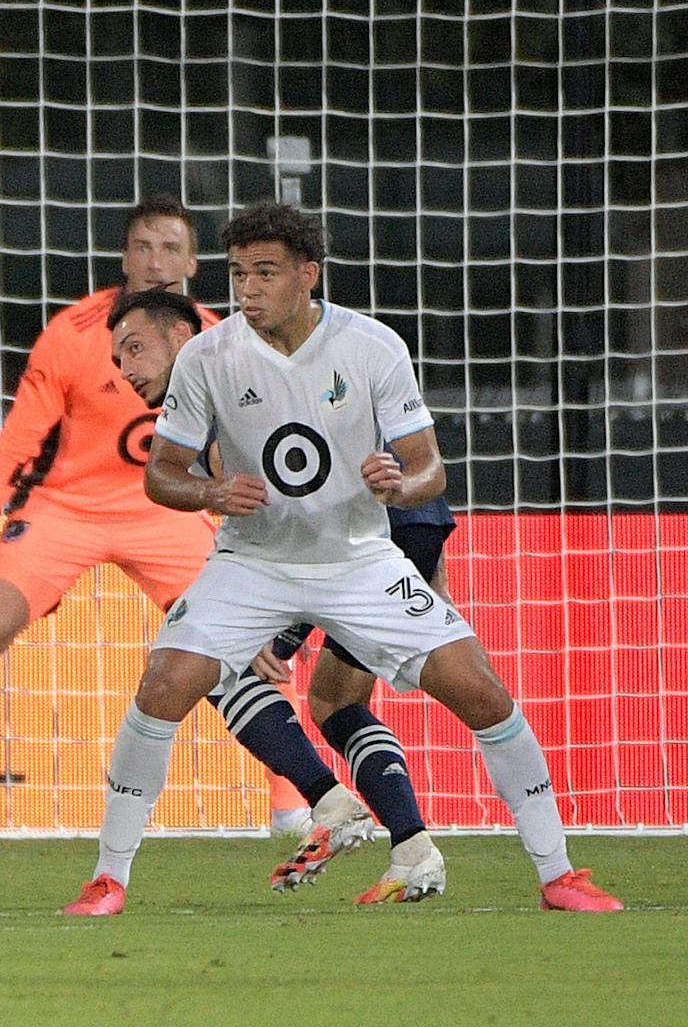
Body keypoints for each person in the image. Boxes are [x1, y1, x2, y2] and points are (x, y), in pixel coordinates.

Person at [64, 202, 622, 915]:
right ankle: (108, 878)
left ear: (308, 274)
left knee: (483, 692)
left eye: (265, 272)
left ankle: (558, 874)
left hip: (359, 558)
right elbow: (160, 473)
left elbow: (429, 470)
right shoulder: (209, 355)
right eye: (239, 273)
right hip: (253, 562)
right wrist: (209, 488)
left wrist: (401, 480)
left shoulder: (373, 347)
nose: (249, 289)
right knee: (166, 682)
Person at [0, 200, 327, 843]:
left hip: (171, 511)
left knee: (248, 650)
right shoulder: (73, 332)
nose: (155, 261)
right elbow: (17, 441)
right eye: (144, 247)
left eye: (170, 249)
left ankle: (292, 806)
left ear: (192, 264)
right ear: (124, 258)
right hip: (69, 506)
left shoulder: (222, 341)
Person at [109, 289, 441, 899]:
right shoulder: (230, 370)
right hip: (406, 527)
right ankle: (413, 846)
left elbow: (282, 499)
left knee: (223, 670)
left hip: (354, 542)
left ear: (181, 339)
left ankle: (332, 805)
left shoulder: (221, 376)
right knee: (337, 704)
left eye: (135, 351)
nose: (127, 372)